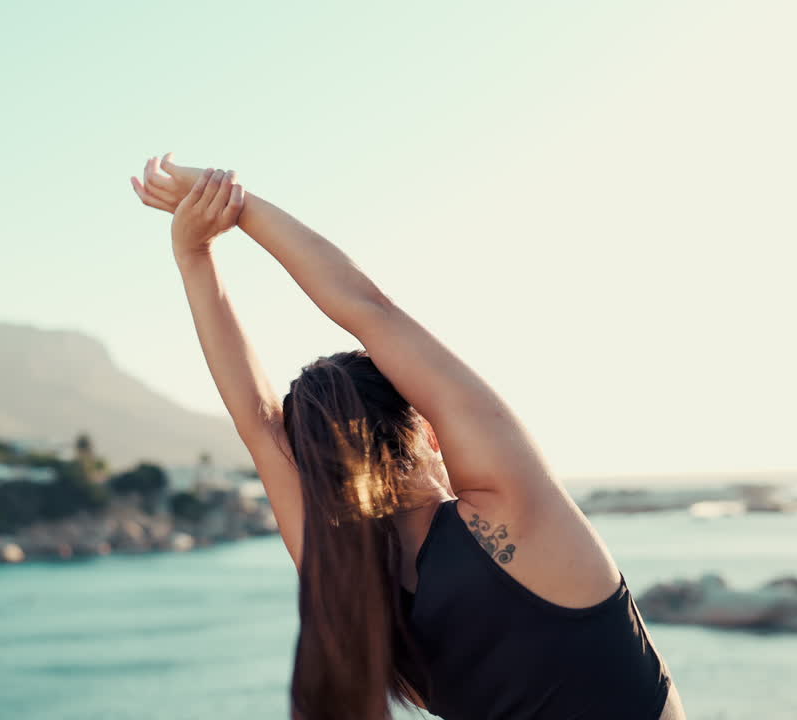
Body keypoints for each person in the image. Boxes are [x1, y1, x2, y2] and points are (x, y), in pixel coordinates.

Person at [131, 155, 685, 720]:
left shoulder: (350, 582)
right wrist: (236, 208)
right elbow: (370, 311)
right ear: (426, 429)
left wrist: (194, 254)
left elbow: (257, 424)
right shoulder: (510, 508)